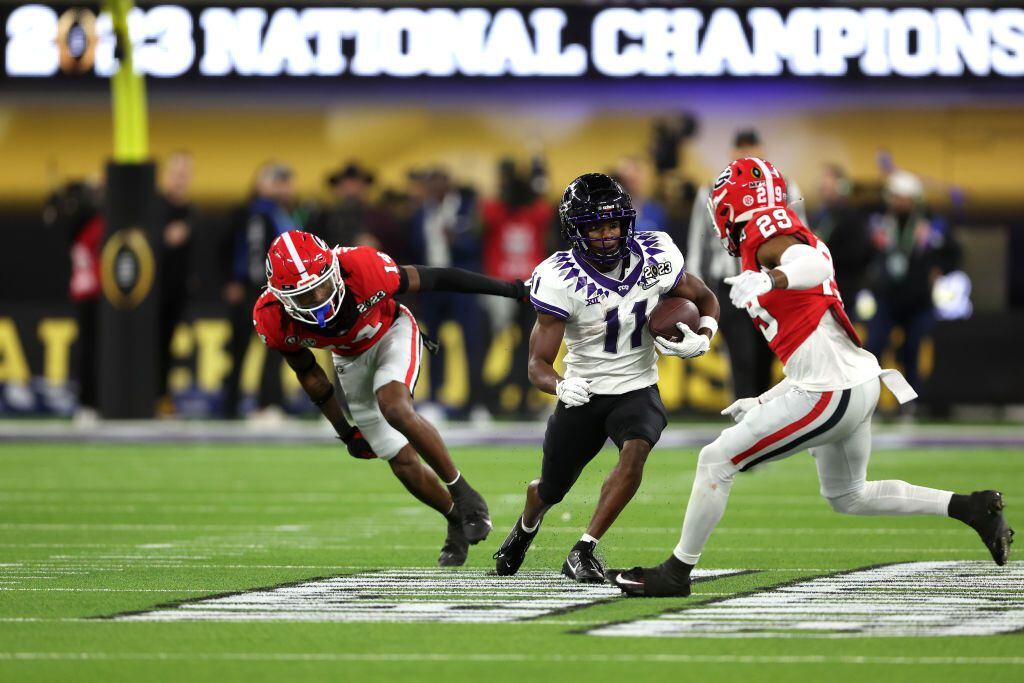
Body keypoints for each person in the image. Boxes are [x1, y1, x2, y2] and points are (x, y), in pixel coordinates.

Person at [608, 158, 1013, 597]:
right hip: (848, 379)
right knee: (848, 495)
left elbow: (815, 262)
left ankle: (676, 572)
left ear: (734, 203)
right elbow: (812, 345)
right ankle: (971, 508)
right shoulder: (767, 234)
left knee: (716, 459)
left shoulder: (765, 228)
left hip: (832, 388)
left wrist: (772, 279)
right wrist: (762, 401)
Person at [493, 173, 720, 583]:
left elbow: (704, 297)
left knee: (635, 454)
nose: (606, 234)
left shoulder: (657, 254)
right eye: (595, 226)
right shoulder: (559, 276)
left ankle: (583, 549)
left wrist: (704, 336)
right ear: (575, 230)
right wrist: (561, 385)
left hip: (637, 386)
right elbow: (537, 364)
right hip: (584, 392)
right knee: (550, 490)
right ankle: (527, 525)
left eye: (613, 224)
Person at [253, 230, 529, 566]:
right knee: (399, 460)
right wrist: (345, 431)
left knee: (394, 406)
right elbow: (311, 375)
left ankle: (464, 492)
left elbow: (438, 277)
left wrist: (511, 289)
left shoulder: (362, 267)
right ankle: (455, 518)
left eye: (321, 287)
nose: (318, 301)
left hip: (391, 331)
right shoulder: (272, 316)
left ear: (334, 271)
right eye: (304, 296)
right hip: (348, 359)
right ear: (280, 297)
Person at [688, 129, 805, 399]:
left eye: (752, 146)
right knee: (742, 358)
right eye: (740, 148)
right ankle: (745, 420)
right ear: (731, 154)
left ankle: (762, 421)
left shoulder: (785, 185)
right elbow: (698, 244)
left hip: (771, 282)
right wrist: (697, 291)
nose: (746, 153)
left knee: (768, 356)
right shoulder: (711, 189)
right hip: (730, 283)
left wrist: (794, 277)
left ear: (763, 150)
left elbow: (802, 235)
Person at [863, 170, 960, 393]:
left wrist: (939, 269)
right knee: (874, 347)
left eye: (901, 197)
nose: (897, 201)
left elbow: (954, 253)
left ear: (913, 199)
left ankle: (910, 403)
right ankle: (868, 399)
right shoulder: (880, 223)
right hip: (887, 298)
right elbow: (866, 253)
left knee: (912, 350)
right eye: (894, 196)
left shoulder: (932, 225)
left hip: (918, 300)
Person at [220, 161, 297, 420]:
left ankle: (267, 403)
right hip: (257, 290)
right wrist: (238, 281)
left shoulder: (280, 213)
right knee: (244, 348)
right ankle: (242, 404)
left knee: (273, 349)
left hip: (270, 290)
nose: (281, 186)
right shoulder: (256, 213)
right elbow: (252, 255)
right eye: (275, 180)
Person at [155, 151, 196, 416]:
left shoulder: (192, 212)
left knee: (166, 345)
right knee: (150, 344)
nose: (180, 179)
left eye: (185, 173)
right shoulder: (152, 208)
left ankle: (161, 397)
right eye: (176, 172)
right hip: (150, 291)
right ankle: (150, 396)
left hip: (176, 291)